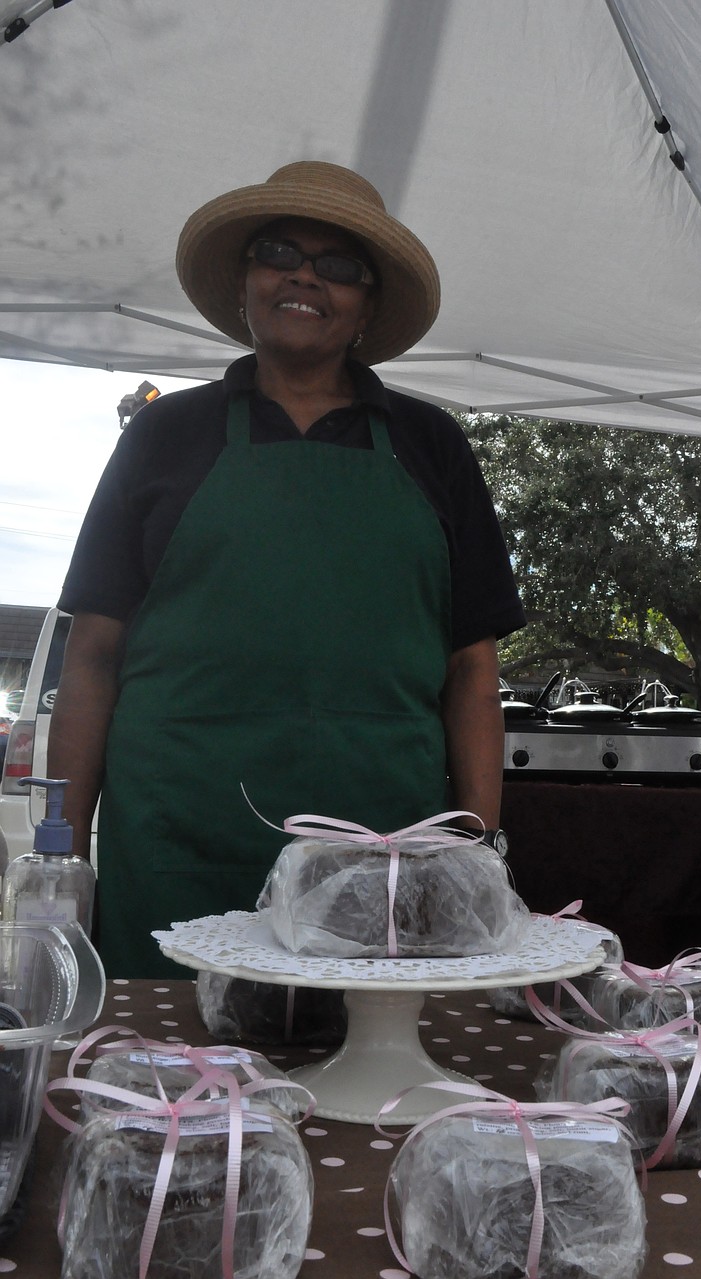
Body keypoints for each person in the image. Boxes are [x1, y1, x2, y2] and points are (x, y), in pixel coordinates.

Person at [48, 161, 525, 977]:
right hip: (173, 845)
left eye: (338, 265)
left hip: (380, 858)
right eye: (278, 253)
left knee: (366, 1054)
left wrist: (476, 857)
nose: (304, 276)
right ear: (245, 283)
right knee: (165, 1056)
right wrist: (63, 860)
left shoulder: (432, 444)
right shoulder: (163, 435)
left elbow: (473, 672)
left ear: (367, 306)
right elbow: (91, 658)